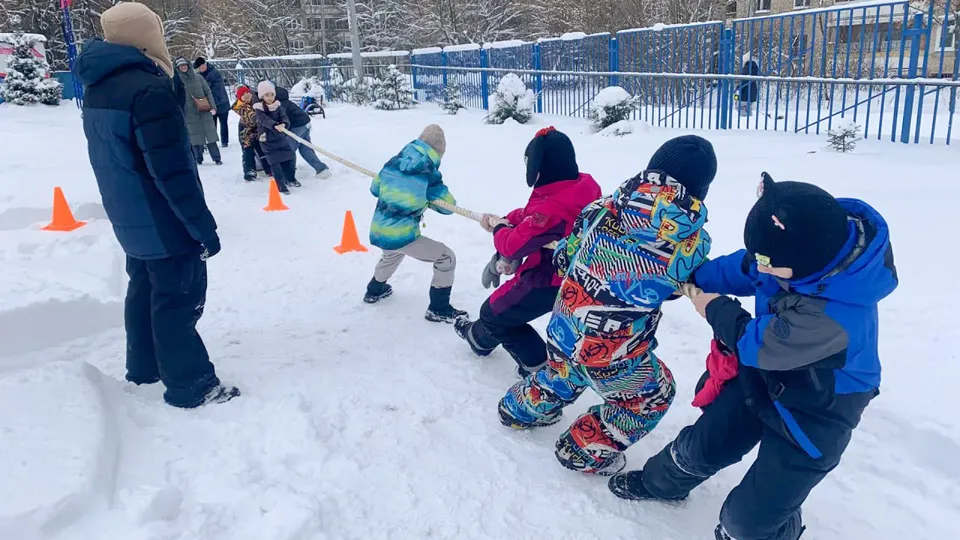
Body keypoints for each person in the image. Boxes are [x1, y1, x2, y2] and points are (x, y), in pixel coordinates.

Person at [608, 174, 899, 540]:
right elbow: (745, 268)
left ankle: (773, 526)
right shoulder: (793, 252)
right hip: (765, 375)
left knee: (749, 522)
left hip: (820, 407)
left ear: (805, 267)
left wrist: (711, 306)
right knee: (703, 444)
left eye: (769, 264)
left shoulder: (835, 318)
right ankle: (661, 483)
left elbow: (754, 342)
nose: (761, 268)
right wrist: (691, 277)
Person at [497, 135, 717, 476]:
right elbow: (671, 290)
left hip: (564, 329)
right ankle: (581, 450)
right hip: (612, 356)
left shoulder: (601, 208)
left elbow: (563, 258)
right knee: (652, 397)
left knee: (562, 372)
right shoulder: (692, 242)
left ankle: (517, 409)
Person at [74, 2, 239, 408]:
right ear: (147, 37)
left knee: (145, 289)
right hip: (161, 218)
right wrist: (202, 227)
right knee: (178, 299)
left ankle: (145, 368)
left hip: (129, 215)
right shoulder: (147, 89)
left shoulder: (100, 83)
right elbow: (172, 171)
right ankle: (191, 384)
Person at [453, 127, 601, 377]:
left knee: (492, 313)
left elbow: (511, 245)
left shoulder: (553, 205)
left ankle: (540, 371)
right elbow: (533, 215)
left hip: (550, 278)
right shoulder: (579, 184)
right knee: (502, 311)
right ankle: (478, 339)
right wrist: (508, 219)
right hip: (572, 273)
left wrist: (500, 229)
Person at [363, 125, 466, 323]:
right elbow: (447, 207)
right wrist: (424, 197)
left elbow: (375, 189)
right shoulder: (428, 172)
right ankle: (439, 308)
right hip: (402, 233)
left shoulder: (393, 162)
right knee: (446, 257)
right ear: (437, 152)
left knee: (392, 253)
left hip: (379, 229)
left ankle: (374, 290)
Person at [253, 80, 299, 193]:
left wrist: (284, 123)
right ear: (262, 96)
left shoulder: (278, 106)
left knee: (290, 157)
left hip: (280, 138)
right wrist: (274, 125)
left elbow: (284, 117)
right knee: (275, 163)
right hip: (267, 139)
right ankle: (281, 185)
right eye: (267, 95)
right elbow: (264, 120)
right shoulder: (259, 108)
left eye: (272, 95)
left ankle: (291, 178)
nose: (270, 97)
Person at [276, 86, 331, 178]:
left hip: (298, 127)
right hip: (305, 124)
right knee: (305, 148)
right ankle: (321, 169)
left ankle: (288, 171)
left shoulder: (280, 105)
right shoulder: (287, 103)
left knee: (289, 149)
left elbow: (286, 120)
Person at [175, 57, 222, 165]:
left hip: (204, 109)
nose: (183, 67)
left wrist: (213, 107)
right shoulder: (178, 81)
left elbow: (208, 92)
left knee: (210, 135)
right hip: (188, 112)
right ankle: (198, 158)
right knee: (194, 137)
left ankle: (216, 157)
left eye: (185, 65)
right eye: (181, 66)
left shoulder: (198, 78)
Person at [233, 85, 268, 181]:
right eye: (243, 94)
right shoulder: (241, 107)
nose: (246, 95)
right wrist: (262, 119)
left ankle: (268, 168)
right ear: (240, 97)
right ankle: (249, 170)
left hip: (257, 131)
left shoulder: (255, 101)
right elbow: (252, 118)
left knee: (262, 149)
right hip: (246, 133)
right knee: (248, 151)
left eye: (247, 93)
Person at [195, 57, 230, 147]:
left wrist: (205, 90)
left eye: (200, 67)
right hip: (210, 104)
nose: (200, 69)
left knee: (223, 123)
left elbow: (217, 88)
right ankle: (212, 142)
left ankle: (224, 141)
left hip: (221, 102)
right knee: (211, 124)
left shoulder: (215, 73)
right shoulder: (200, 75)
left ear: (204, 64)